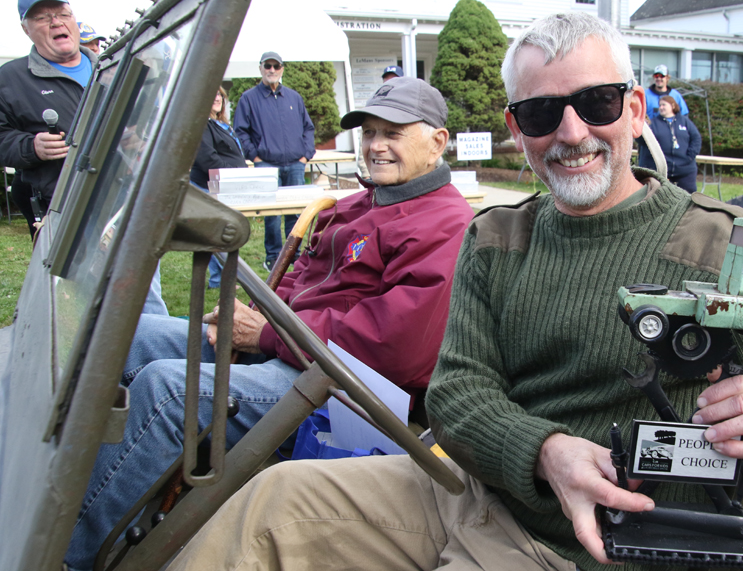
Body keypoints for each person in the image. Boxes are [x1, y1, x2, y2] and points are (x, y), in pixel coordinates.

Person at [166, 12, 743, 571]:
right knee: (269, 505)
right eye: (541, 113)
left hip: (589, 547)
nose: (571, 132)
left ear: (633, 110)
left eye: (595, 103)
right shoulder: (497, 237)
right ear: (515, 130)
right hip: (476, 494)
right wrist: (543, 450)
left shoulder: (725, 242)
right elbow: (457, 390)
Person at [65, 77, 474, 571]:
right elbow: (300, 276)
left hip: (347, 389)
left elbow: (396, 347)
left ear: (438, 141)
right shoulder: (358, 204)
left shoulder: (445, 224)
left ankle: (67, 552)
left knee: (173, 391)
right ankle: (64, 486)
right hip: (292, 348)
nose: (375, 146)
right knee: (125, 339)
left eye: (393, 132)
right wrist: (252, 317)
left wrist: (262, 333)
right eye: (368, 133)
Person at [0, 0, 96, 238]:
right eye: (42, 18)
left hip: (128, 197)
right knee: (73, 277)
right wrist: (30, 147)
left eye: (63, 14)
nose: (55, 22)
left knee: (138, 275)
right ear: (26, 29)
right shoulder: (9, 79)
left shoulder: (115, 67)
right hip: (61, 206)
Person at [233, 51, 315, 272]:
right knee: (271, 216)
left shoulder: (294, 98)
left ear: (282, 69)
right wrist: (256, 157)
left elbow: (308, 127)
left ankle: (294, 255)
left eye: (276, 66)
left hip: (295, 164)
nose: (271, 70)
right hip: (266, 165)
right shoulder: (248, 98)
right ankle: (272, 257)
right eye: (267, 66)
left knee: (296, 213)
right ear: (260, 68)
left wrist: (306, 155)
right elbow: (240, 131)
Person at [191, 86, 247, 288]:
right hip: (211, 187)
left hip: (227, 187)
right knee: (220, 234)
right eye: (211, 94)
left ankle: (221, 279)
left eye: (219, 95)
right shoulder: (202, 125)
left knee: (222, 233)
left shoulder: (220, 124)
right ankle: (220, 280)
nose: (216, 98)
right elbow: (207, 158)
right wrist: (231, 175)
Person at [636, 95, 702, 192]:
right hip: (659, 170)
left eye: (664, 105)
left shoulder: (685, 122)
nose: (661, 107)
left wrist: (690, 156)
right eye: (660, 105)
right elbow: (642, 141)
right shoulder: (653, 123)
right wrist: (642, 129)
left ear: (673, 106)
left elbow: (696, 138)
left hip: (684, 169)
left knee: (688, 197)